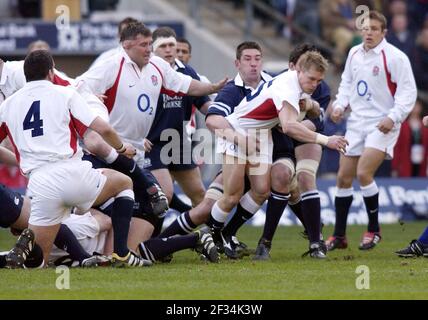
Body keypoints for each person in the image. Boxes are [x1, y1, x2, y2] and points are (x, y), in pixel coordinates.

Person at [76, 22, 227, 244]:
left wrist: (212, 88)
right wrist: (89, 97)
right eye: (144, 45)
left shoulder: (158, 66)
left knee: (148, 202)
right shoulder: (111, 65)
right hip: (111, 148)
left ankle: (139, 247)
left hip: (140, 147)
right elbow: (78, 85)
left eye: (149, 44)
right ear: (127, 45)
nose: (149, 49)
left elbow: (186, 85)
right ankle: (101, 246)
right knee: (126, 198)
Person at [0, 50, 151, 268]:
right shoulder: (65, 93)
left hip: (39, 184)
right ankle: (121, 253)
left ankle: (24, 248)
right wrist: (120, 147)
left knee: (38, 261)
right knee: (124, 183)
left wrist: (18, 158)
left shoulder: (7, 105)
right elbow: (103, 127)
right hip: (73, 173)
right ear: (51, 72)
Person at [207, 51, 347, 259]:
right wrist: (326, 140)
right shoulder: (287, 87)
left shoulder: (294, 83)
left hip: (261, 136)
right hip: (239, 132)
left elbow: (310, 109)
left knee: (262, 190)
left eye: (319, 81)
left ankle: (226, 234)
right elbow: (289, 127)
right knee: (232, 195)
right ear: (298, 70)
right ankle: (210, 237)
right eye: (311, 79)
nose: (314, 84)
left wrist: (312, 105)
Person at [158, 41, 272, 258]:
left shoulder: (272, 84)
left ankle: (223, 235)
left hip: (256, 149)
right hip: (176, 144)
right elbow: (212, 119)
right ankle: (160, 242)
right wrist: (237, 137)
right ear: (237, 63)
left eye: (257, 58)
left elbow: (206, 107)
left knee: (262, 189)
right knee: (207, 203)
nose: (253, 64)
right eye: (247, 59)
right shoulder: (227, 91)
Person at [326, 11, 417, 251]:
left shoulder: (395, 57)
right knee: (344, 177)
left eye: (374, 29)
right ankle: (339, 236)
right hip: (356, 122)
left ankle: (374, 230)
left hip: (382, 123)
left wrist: (393, 117)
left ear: (384, 32)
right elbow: (346, 83)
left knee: (364, 172)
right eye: (365, 28)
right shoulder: (354, 53)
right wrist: (339, 105)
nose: (368, 33)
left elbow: (408, 93)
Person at [253, 43, 331, 260]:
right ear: (294, 68)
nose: (314, 81)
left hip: (306, 137)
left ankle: (316, 243)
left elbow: (317, 121)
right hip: (281, 139)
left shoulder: (321, 88)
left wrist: (307, 111)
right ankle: (264, 242)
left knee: (305, 178)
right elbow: (280, 125)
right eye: (309, 74)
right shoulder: (280, 84)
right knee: (283, 181)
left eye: (318, 77)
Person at [145, 27, 209, 211]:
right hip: (152, 142)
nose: (169, 50)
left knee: (200, 195)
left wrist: (221, 116)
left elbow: (204, 103)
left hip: (178, 141)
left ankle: (203, 236)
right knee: (165, 193)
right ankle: (156, 237)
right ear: (153, 49)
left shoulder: (187, 71)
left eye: (171, 45)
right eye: (163, 45)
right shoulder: (145, 72)